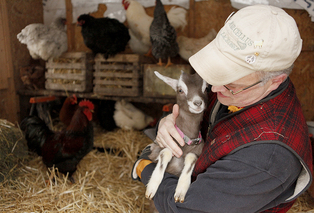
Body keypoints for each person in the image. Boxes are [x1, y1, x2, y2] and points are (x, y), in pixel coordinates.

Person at [132, 4, 313, 213]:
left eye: (230, 83)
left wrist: (144, 168)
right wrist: (168, 125)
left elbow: (188, 209)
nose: (214, 88)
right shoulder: (248, 91)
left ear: (275, 80)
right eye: (216, 73)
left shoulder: (266, 159)